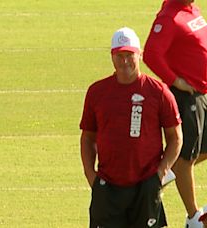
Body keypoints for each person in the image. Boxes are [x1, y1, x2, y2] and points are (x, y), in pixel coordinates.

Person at [80, 27, 183, 227]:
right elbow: (87, 137)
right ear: (112, 56)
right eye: (119, 55)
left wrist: (161, 172)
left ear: (140, 54)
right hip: (107, 187)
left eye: (129, 55)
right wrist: (90, 174)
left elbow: (175, 137)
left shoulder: (159, 92)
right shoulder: (97, 92)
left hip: (146, 185)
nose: (125, 60)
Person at [143, 0, 207, 226]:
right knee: (187, 158)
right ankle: (194, 217)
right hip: (187, 97)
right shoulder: (169, 16)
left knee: (194, 154)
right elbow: (151, 54)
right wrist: (175, 81)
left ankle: (167, 171)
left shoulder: (192, 9)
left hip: (202, 93)